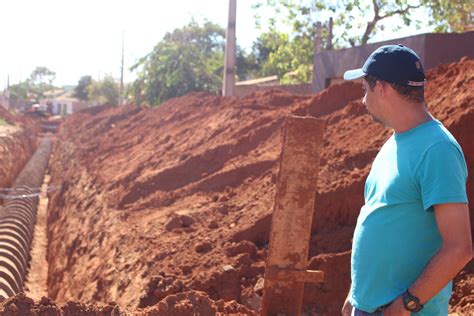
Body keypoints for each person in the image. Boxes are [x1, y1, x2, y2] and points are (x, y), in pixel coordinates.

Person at [340, 44, 472, 315]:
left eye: (366, 89)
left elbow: (459, 247)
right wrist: (356, 295)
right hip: (368, 306)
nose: (364, 100)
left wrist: (408, 303)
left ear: (383, 88)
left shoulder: (438, 149)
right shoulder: (394, 143)